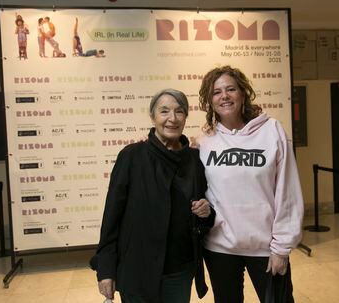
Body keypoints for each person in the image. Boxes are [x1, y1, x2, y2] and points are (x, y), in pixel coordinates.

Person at [90, 89, 215, 303]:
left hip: (179, 270)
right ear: (153, 116)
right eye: (164, 111)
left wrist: (206, 213)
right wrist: (106, 270)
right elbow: (111, 217)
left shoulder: (194, 159)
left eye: (179, 111)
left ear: (186, 117)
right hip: (137, 269)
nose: (172, 119)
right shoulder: (131, 156)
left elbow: (202, 215)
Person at [197, 65, 304, 302]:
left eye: (230, 89)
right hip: (219, 247)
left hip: (266, 248)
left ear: (243, 93)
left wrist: (281, 248)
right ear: (210, 100)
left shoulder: (271, 131)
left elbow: (288, 192)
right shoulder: (205, 141)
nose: (224, 96)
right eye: (216, 92)